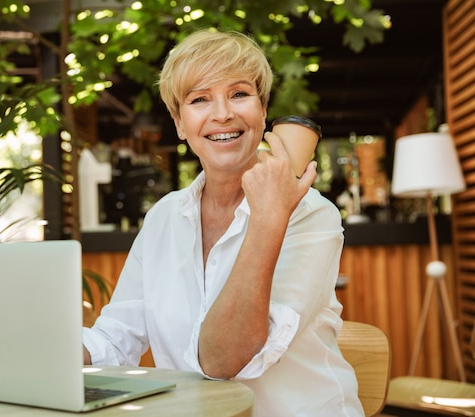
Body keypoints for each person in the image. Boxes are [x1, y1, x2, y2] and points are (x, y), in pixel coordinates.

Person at [83, 29, 364, 417]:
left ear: (263, 110)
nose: (222, 114)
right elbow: (115, 339)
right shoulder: (163, 218)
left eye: (239, 94)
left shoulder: (311, 215)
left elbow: (224, 361)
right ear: (180, 123)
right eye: (200, 99)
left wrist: (268, 216)